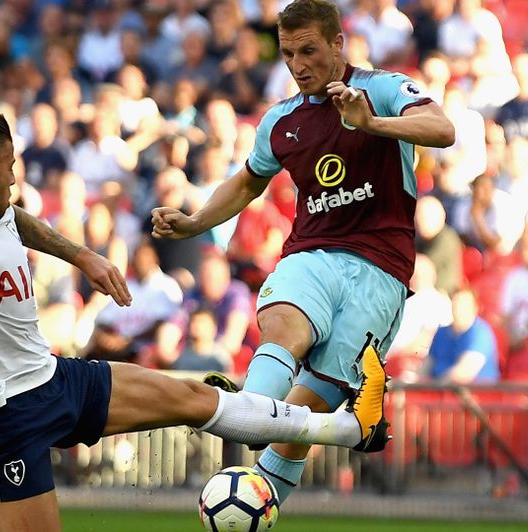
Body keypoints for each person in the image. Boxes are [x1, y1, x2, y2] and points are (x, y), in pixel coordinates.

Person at [0, 112, 382, 532]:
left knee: (195, 398)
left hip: (54, 378)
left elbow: (15, 220)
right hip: (2, 417)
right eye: (9, 169)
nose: (16, 180)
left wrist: (82, 255)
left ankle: (348, 428)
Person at [152, 0, 454, 505]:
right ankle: (262, 412)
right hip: (312, 254)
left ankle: (257, 485)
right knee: (282, 337)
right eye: (289, 53)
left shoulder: (380, 88)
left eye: (309, 50)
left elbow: (442, 130)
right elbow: (249, 180)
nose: (297, 65)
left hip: (381, 273)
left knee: (292, 425)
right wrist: (196, 222)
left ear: (338, 43)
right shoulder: (280, 121)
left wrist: (371, 125)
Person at [427, 289, 500, 384]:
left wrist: (434, 387)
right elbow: (427, 365)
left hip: (474, 394)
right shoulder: (441, 332)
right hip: (439, 391)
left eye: (463, 305)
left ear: (475, 308)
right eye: (455, 304)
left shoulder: (480, 333)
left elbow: (464, 373)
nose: (458, 309)